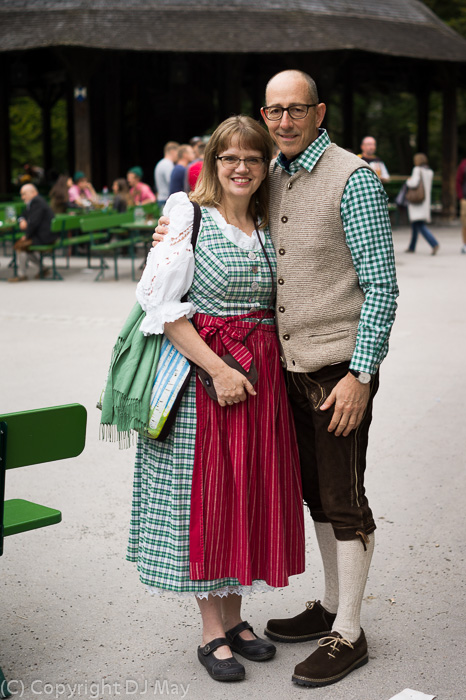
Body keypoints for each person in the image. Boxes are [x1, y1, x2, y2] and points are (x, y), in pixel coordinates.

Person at [155, 70, 398, 688]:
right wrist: (173, 224)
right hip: (280, 370)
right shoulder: (274, 174)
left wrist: (362, 373)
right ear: (265, 117)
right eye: (274, 110)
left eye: (296, 110)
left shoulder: (353, 178)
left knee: (344, 499)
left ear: (319, 113)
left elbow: (382, 287)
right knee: (313, 493)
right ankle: (329, 604)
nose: (284, 120)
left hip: (335, 369)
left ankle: (350, 630)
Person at [128, 115, 305, 683]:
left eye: (252, 158)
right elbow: (161, 307)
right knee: (206, 499)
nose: (241, 167)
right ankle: (210, 632)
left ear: (264, 166)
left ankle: (233, 619)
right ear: (211, 162)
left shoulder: (265, 225)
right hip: (206, 378)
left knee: (243, 494)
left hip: (261, 382)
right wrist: (218, 370)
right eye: (228, 157)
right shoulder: (187, 216)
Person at [8, 184, 56, 282]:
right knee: (25, 248)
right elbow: (23, 215)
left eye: (24, 194)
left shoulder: (37, 203)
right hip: (45, 236)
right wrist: (22, 220)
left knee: (20, 246)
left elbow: (34, 223)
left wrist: (26, 236)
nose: (22, 197)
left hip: (45, 237)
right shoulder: (35, 202)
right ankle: (42, 268)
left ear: (33, 192)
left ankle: (22, 275)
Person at [405, 153, 439, 255]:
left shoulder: (417, 170)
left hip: (417, 202)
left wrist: (408, 181)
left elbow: (414, 183)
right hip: (424, 201)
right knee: (415, 225)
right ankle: (412, 247)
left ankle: (434, 243)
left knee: (419, 225)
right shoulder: (429, 171)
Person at [154, 141, 179, 207]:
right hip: (166, 200)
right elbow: (172, 182)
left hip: (161, 199)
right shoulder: (168, 164)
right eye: (178, 152)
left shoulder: (160, 163)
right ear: (172, 151)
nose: (178, 156)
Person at [456, 157, 466, 254]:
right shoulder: (463, 164)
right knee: (465, 223)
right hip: (465, 198)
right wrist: (461, 197)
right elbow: (458, 181)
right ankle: (465, 244)